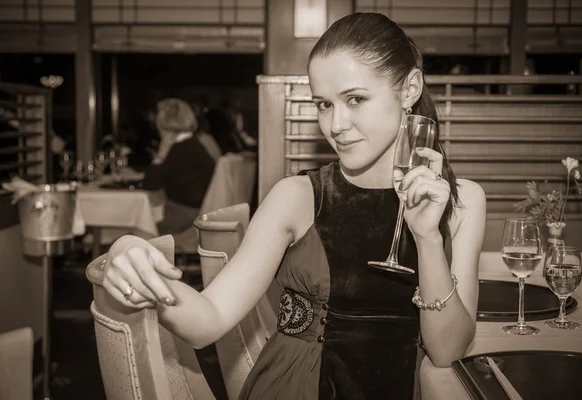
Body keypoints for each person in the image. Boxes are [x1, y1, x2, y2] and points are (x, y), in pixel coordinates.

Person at [102, 13, 486, 399]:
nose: (336, 124)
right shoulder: (296, 196)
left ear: (410, 89)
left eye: (355, 99)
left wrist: (428, 239)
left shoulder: (463, 201)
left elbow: (446, 352)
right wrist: (128, 251)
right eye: (323, 104)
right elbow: (208, 319)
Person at [141, 98, 215, 235]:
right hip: (200, 212)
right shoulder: (195, 145)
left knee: (136, 228)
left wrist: (161, 153)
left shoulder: (179, 149)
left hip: (185, 216)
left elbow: (150, 184)